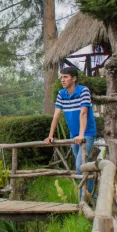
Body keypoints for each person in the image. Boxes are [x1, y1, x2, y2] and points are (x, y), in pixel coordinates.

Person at [44, 67, 97, 199]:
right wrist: (51, 135)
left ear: (74, 78)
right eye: (62, 77)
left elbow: (83, 113)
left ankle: (84, 199)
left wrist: (81, 135)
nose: (63, 80)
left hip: (87, 133)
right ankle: (92, 196)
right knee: (83, 166)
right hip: (74, 135)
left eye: (66, 77)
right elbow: (56, 115)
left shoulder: (83, 91)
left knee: (80, 166)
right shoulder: (62, 94)